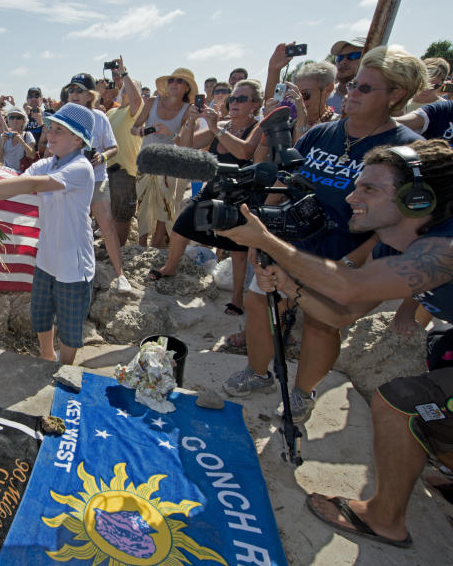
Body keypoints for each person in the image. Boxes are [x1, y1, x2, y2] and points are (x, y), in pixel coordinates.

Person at [218, 139, 453, 549]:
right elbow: (343, 315)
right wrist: (293, 288)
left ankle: (385, 521)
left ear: (418, 199)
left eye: (369, 190)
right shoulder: (391, 242)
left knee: (399, 402)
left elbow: (348, 286)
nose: (351, 197)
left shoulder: (445, 247)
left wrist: (268, 241)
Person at [221, 46, 427, 423]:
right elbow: (283, 179)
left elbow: (401, 224)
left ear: (395, 94)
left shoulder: (408, 149)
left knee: (322, 324)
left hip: (343, 255)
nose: (351, 91)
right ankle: (258, 372)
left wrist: (354, 262)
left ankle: (302, 394)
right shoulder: (320, 134)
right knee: (259, 305)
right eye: (352, 84)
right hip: (288, 244)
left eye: (365, 88)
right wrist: (260, 233)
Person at [0, 104, 96, 365]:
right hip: (47, 255)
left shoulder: (81, 168)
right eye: (51, 127)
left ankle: (65, 366)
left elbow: (35, 185)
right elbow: (14, 186)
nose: (51, 133)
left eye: (60, 130)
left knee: (70, 326)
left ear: (77, 139)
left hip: (75, 262)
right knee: (40, 314)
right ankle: (47, 356)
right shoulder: (48, 163)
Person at [148, 80, 264, 319]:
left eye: (242, 99)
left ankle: (237, 298)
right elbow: (184, 145)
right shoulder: (219, 125)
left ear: (255, 104)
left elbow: (245, 152)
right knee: (181, 226)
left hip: (240, 195)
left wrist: (216, 127)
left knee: (238, 249)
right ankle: (170, 267)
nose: (235, 103)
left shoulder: (258, 127)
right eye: (233, 98)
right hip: (213, 189)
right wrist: (191, 121)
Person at [65, 72, 130, 294]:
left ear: (90, 94)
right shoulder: (62, 116)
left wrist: (101, 157)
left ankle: (120, 274)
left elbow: (114, 147)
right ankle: (74, 271)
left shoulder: (100, 118)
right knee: (73, 226)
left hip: (97, 179)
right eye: (71, 89)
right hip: (70, 181)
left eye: (79, 90)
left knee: (107, 225)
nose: (74, 94)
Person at [133, 67, 198, 248]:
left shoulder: (188, 110)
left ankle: (155, 245)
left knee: (165, 206)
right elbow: (134, 128)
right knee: (143, 203)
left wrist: (169, 133)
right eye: (171, 80)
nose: (174, 84)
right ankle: (141, 244)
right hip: (146, 160)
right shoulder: (152, 101)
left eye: (179, 81)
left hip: (169, 163)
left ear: (187, 87)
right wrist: (140, 131)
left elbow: (186, 144)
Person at [104, 58, 144, 247]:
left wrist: (125, 73)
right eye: (125, 87)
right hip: (106, 168)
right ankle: (110, 243)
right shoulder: (112, 112)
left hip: (125, 170)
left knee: (122, 214)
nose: (126, 89)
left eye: (131, 87)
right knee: (109, 211)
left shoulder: (136, 111)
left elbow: (136, 99)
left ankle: (118, 247)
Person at [328, 37, 366, 114]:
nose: (343, 62)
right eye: (340, 57)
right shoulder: (324, 96)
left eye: (353, 56)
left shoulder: (378, 99)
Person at [0, 106, 36, 171]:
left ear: (24, 121)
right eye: (12, 117)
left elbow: (32, 155)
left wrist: (22, 141)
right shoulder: (3, 136)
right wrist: (2, 143)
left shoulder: (27, 135)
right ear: (8, 120)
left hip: (22, 174)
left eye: (18, 118)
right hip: (7, 173)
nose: (15, 120)